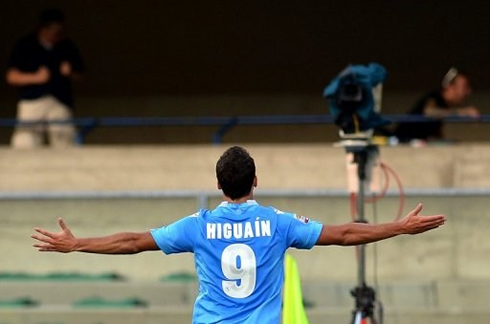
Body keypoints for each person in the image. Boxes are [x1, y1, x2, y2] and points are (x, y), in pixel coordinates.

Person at [31, 146, 446, 323]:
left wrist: (78, 243)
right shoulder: (280, 223)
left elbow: (133, 242)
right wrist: (399, 227)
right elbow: (343, 234)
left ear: (219, 184)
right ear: (256, 181)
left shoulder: (198, 225)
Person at [6, 8, 84, 148]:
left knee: (65, 141)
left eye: (61, 32)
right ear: (43, 29)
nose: (58, 36)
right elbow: (11, 77)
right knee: (25, 142)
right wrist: (35, 77)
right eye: (55, 32)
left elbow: (81, 76)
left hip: (60, 100)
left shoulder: (66, 45)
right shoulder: (26, 45)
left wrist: (70, 72)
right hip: (32, 100)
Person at [395, 68, 480, 143]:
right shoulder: (435, 97)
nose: (468, 91)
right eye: (464, 87)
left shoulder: (444, 104)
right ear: (450, 87)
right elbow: (429, 112)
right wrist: (461, 112)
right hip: (402, 141)